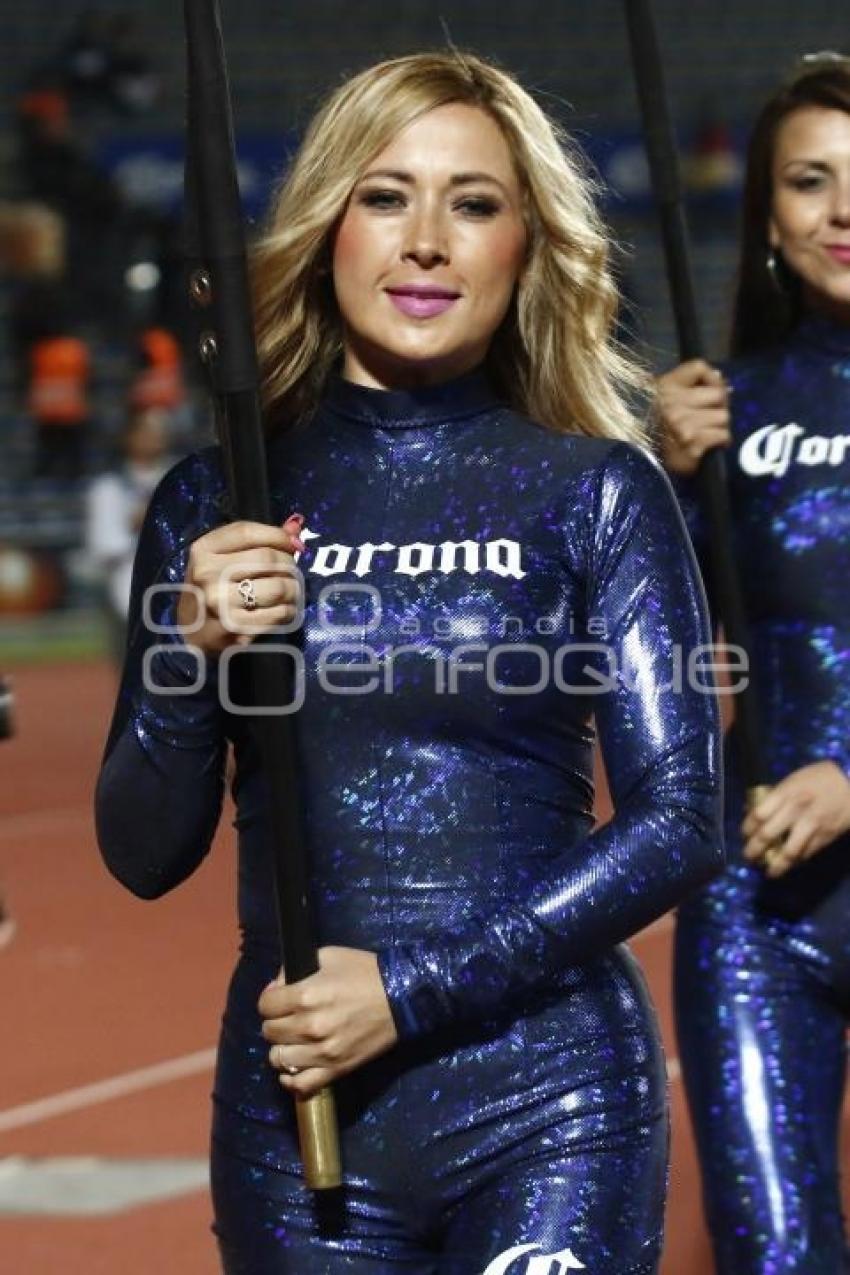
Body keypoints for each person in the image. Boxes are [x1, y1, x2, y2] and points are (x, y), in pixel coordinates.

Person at [95, 51, 721, 1274]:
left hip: (553, 1106)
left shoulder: (594, 489)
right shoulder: (217, 500)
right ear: (327, 225)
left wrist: (412, 991)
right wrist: (187, 655)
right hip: (302, 1122)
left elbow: (681, 819)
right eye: (385, 195)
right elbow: (140, 852)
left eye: (473, 203)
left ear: (526, 247)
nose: (426, 239)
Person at [657, 55, 850, 1275]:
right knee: (772, 1254)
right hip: (757, 904)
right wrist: (668, 485)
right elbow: (651, 656)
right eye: (809, 181)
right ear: (769, 219)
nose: (842, 211)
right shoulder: (721, 406)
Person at [85, 403, 172, 664]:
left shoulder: (178, 479)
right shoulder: (109, 488)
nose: (156, 437)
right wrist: (140, 523)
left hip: (177, 593)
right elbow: (103, 547)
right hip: (126, 594)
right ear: (129, 437)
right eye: (147, 431)